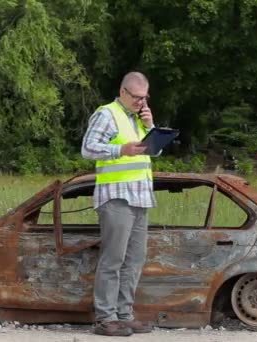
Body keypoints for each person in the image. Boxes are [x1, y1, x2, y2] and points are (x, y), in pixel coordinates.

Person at [81, 71, 155, 336]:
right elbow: (88, 148)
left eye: (144, 98)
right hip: (116, 197)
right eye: (136, 97)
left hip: (140, 197)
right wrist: (119, 150)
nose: (140, 102)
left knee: (135, 259)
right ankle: (106, 318)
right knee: (113, 259)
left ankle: (124, 315)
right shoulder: (107, 114)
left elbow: (150, 151)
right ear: (123, 91)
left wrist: (151, 127)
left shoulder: (138, 118)